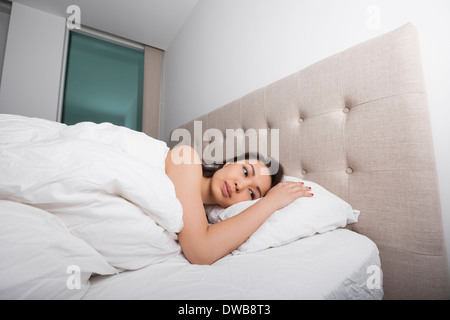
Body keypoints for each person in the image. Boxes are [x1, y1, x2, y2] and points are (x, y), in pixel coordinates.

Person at [165, 145, 313, 265]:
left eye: (251, 193)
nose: (239, 185)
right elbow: (200, 252)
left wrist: (271, 202)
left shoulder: (199, 215)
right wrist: (271, 202)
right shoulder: (186, 158)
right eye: (245, 171)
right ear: (230, 163)